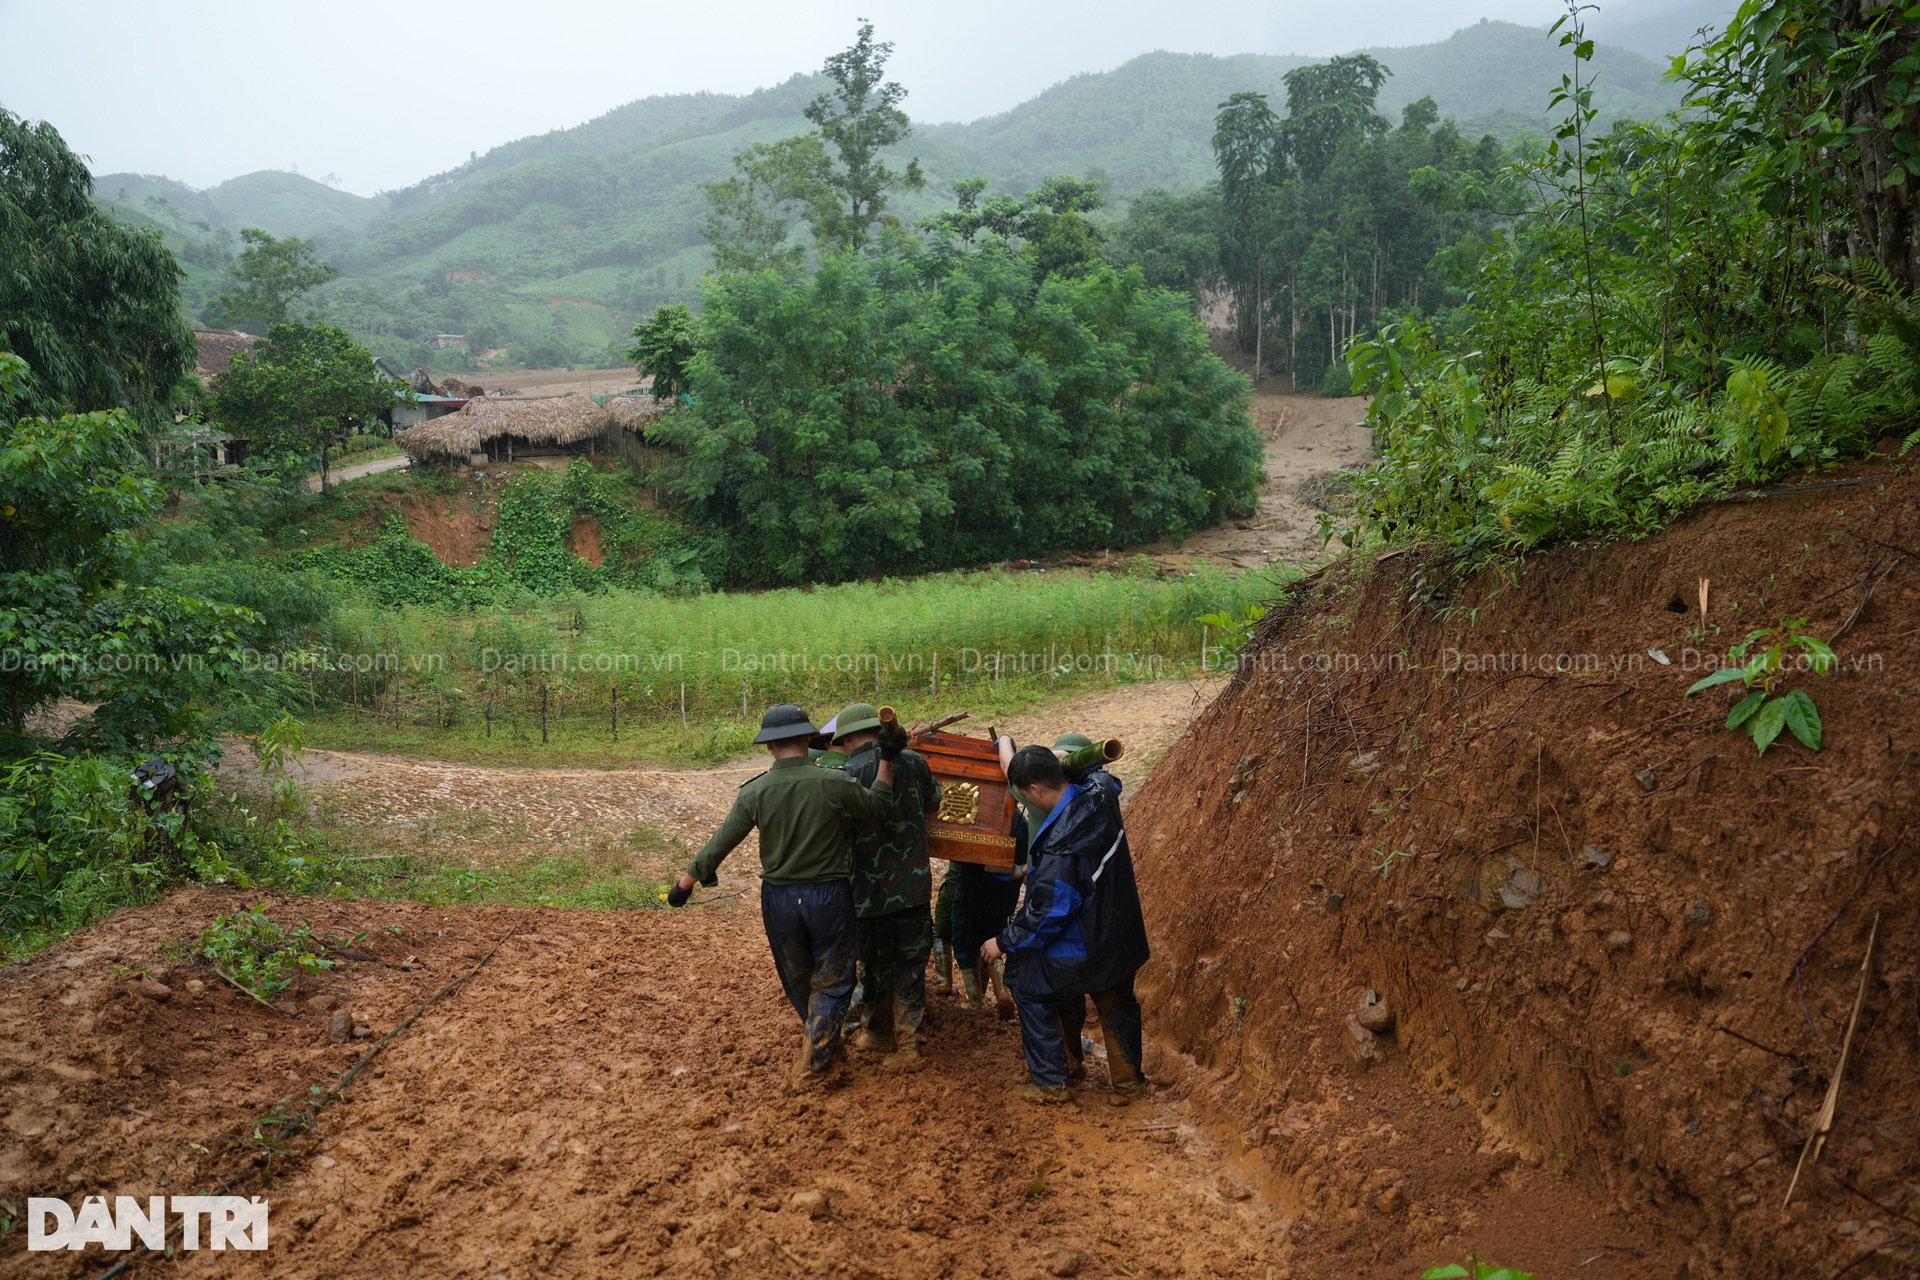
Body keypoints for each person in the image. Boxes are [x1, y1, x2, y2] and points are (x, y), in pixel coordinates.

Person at [668, 703, 902, 1091]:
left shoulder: (755, 791)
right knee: (833, 980)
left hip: (778, 899)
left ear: (768, 747)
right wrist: (887, 763)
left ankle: (820, 1043)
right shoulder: (834, 781)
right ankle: (815, 1063)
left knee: (798, 978)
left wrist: (685, 884)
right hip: (828, 895)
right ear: (810, 738)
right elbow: (878, 809)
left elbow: (721, 842)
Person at [984, 745, 1150, 1105]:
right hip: (1120, 935)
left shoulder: (1061, 844)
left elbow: (1048, 913)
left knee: (1026, 983)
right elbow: (1105, 775)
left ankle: (1052, 1081)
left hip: (1085, 945)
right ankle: (1128, 1083)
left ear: (1036, 790)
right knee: (1116, 998)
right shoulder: (1101, 795)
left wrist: (1003, 941)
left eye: (1026, 795)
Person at [829, 703, 941, 1065]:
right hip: (913, 887)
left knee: (874, 968)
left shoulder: (846, 774)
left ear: (846, 738)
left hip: (868, 894)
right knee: (910, 967)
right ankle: (910, 1045)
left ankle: (878, 1034)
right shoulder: (915, 762)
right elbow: (934, 802)